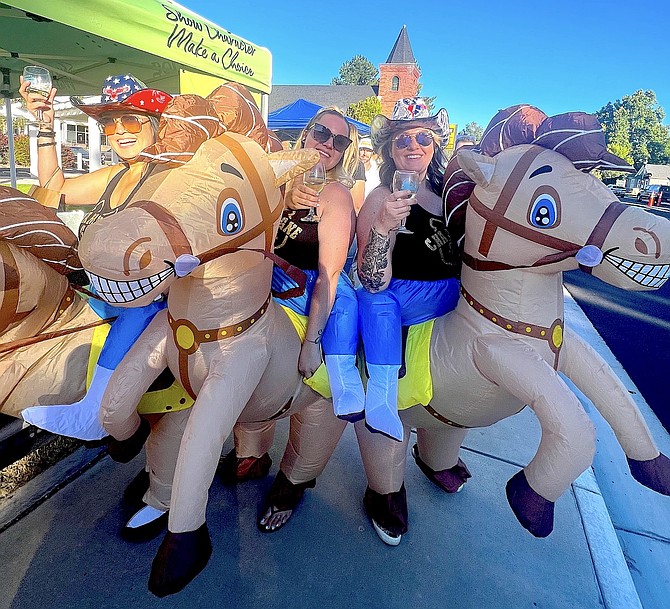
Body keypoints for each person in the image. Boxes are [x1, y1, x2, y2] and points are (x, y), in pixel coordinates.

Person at [226, 107, 365, 531]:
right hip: (258, 282)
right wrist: (282, 198)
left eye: (339, 141)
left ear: (344, 154)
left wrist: (312, 341)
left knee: (316, 391)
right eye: (321, 131)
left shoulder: (336, 196)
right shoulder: (272, 181)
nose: (327, 142)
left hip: (304, 297)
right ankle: (251, 451)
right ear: (306, 133)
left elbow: (330, 274)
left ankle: (294, 481)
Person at [19, 74, 172, 442]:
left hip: (153, 303)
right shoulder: (113, 175)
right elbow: (51, 190)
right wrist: (44, 126)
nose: (119, 131)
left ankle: (92, 411)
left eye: (130, 120)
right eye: (108, 123)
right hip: (101, 293)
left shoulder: (170, 176)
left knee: (141, 307)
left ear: (152, 124)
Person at [356, 98, 460, 442]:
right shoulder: (380, 198)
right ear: (390, 151)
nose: (413, 146)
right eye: (402, 140)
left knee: (453, 405)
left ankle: (435, 453)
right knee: (398, 413)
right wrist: (384, 226)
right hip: (406, 317)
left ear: (435, 145)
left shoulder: (451, 194)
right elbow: (371, 281)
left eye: (423, 138)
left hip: (455, 313)